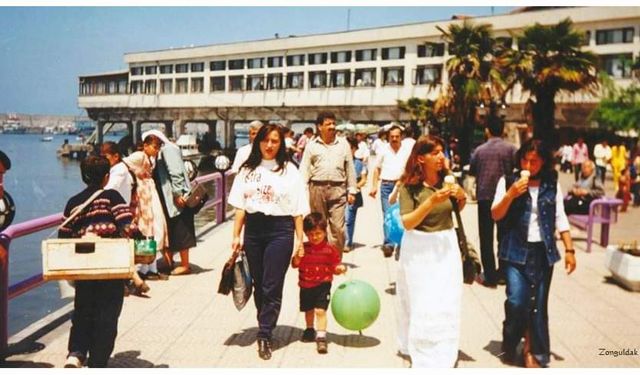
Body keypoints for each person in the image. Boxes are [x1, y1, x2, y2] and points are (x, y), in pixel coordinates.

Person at [491, 139, 576, 368]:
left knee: (537, 304)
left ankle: (532, 351)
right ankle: (510, 341)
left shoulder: (551, 183)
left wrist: (569, 249)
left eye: (534, 161)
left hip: (542, 251)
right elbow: (495, 215)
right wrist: (510, 194)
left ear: (544, 162)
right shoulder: (508, 181)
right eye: (525, 160)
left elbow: (560, 216)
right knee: (517, 301)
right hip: (513, 251)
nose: (529, 165)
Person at [228, 123, 310, 360]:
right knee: (259, 283)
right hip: (254, 230)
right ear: (258, 142)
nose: (270, 145)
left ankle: (265, 334)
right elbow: (240, 207)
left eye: (275, 141)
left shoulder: (289, 170)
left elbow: (297, 210)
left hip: (280, 231)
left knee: (272, 285)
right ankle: (264, 320)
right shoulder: (246, 170)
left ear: (280, 143)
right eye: (265, 140)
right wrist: (236, 236)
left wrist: (300, 241)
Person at [58, 155, 140, 368]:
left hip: (84, 269)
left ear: (83, 176)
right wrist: (141, 238)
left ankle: (76, 353)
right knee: (107, 315)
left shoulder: (73, 203)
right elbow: (128, 227)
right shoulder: (112, 197)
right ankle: (98, 361)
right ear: (106, 177)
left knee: (83, 310)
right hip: (110, 268)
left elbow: (64, 236)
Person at [395, 135, 467, 367]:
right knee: (422, 300)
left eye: (441, 152)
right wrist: (431, 201)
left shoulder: (448, 180)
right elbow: (408, 222)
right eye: (434, 153)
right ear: (420, 158)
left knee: (446, 299)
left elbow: (455, 210)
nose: (440, 157)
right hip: (419, 248)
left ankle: (444, 345)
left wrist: (461, 197)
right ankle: (421, 347)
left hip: (446, 246)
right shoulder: (409, 186)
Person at [469, 116, 517, 287]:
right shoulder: (511, 149)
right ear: (503, 130)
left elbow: (472, 170)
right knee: (504, 235)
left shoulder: (479, 151)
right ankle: (504, 272)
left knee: (486, 237)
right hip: (505, 198)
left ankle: (489, 275)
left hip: (485, 196)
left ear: (487, 130)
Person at [300, 111, 356, 253]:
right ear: (320, 127)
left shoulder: (343, 144)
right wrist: (301, 192)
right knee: (319, 226)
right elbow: (304, 169)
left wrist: (352, 190)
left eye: (333, 123)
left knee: (338, 227)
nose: (332, 126)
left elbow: (350, 168)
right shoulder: (311, 145)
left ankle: (335, 259)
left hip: (338, 189)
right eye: (328, 124)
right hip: (317, 189)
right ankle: (321, 257)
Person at [142, 129, 196, 276]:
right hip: (166, 198)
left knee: (181, 228)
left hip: (174, 197)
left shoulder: (168, 149)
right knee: (171, 228)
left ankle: (185, 265)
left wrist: (178, 193)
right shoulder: (162, 151)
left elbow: (176, 171)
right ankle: (168, 260)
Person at [291, 213, 346, 354]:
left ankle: (321, 336)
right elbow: (294, 264)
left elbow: (335, 266)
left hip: (323, 285)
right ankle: (309, 328)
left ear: (324, 232)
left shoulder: (330, 250)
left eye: (318, 233)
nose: (315, 237)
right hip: (306, 285)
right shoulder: (303, 248)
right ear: (305, 234)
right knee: (308, 310)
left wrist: (339, 269)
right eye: (310, 234)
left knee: (320, 311)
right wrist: (297, 256)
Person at [100, 142, 150, 296]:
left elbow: (107, 191)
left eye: (105, 157)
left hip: (116, 216)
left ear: (116, 156)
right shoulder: (121, 169)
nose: (103, 160)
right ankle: (135, 279)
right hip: (123, 215)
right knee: (121, 249)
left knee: (115, 250)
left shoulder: (118, 172)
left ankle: (128, 282)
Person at [123, 135, 169, 280]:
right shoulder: (139, 155)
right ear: (145, 145)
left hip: (149, 192)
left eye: (158, 148)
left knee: (153, 229)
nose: (156, 150)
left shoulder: (151, 158)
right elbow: (123, 164)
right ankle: (145, 268)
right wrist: (135, 172)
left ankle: (150, 267)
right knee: (145, 228)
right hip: (142, 194)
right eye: (154, 147)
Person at [369, 124, 410, 257]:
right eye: (392, 137)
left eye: (397, 136)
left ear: (401, 137)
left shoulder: (406, 150)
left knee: (403, 215)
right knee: (388, 215)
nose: (394, 139)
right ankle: (388, 244)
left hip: (402, 186)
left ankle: (403, 243)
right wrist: (374, 186)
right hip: (386, 185)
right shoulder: (383, 150)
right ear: (388, 137)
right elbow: (377, 169)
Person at [344, 137, 368, 252]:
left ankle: (347, 242)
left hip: (354, 194)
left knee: (349, 219)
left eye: (350, 148)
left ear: (354, 149)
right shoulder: (340, 162)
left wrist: (355, 186)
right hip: (340, 194)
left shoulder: (359, 163)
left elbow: (364, 179)